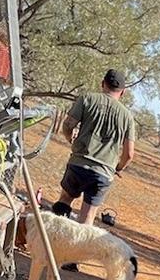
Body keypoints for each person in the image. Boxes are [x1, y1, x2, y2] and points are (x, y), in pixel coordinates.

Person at [57, 69, 135, 227]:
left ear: (102, 83)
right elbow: (129, 154)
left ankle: (51, 243)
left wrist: (70, 138)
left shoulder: (87, 99)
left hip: (78, 163)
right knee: (87, 217)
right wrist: (117, 167)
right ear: (123, 92)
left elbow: (67, 125)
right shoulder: (127, 116)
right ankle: (77, 251)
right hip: (103, 172)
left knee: (64, 200)